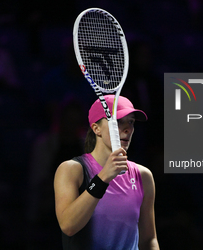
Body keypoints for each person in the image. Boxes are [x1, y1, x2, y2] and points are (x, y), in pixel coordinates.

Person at [54, 95, 160, 250]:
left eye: (131, 122)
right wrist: (103, 177)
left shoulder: (143, 175)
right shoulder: (71, 169)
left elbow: (149, 240)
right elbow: (68, 226)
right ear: (96, 129)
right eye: (118, 122)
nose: (127, 128)